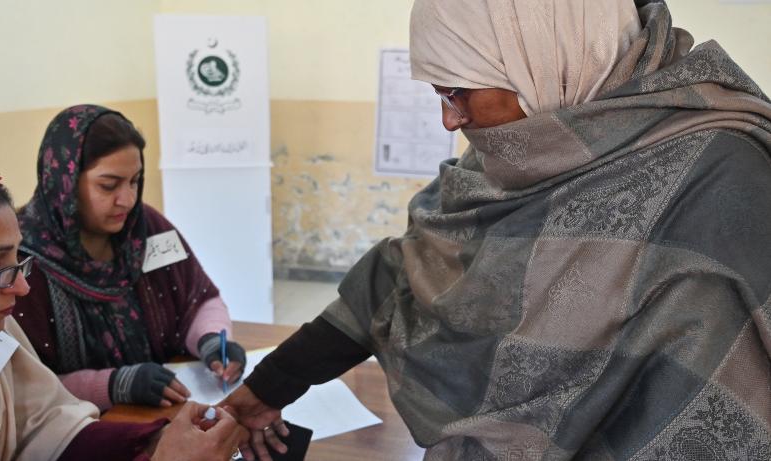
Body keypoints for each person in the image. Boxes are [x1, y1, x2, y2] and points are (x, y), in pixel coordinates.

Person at [225, 0, 771, 459]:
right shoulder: (518, 153)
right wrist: (270, 385)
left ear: (545, 59)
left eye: (458, 92)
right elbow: (404, 272)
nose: (449, 120)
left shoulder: (719, 183)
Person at [0, 163, 247, 460]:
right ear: (65, 184)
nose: (21, 287)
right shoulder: (5, 308)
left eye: (135, 181)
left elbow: (46, 424)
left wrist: (153, 440)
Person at [12, 105, 246, 411]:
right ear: (64, 183)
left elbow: (199, 298)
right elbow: (22, 385)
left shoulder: (145, 228)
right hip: (85, 435)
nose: (128, 199)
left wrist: (212, 339)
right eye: (108, 185)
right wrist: (112, 385)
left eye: (135, 181)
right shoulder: (20, 263)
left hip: (171, 412)